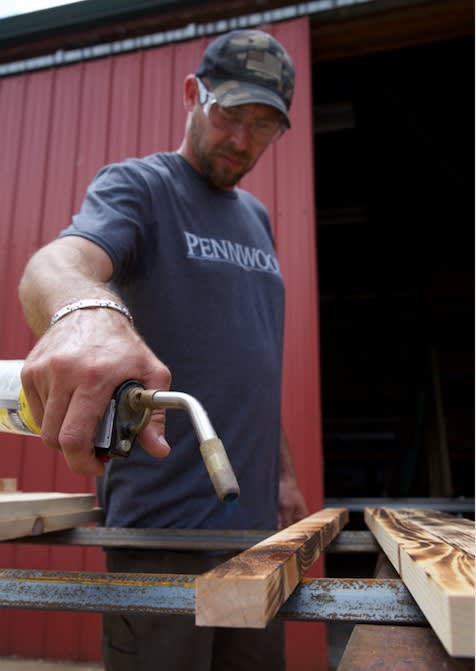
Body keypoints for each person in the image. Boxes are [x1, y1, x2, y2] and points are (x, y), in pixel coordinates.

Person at [18, 28, 308, 671]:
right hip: (162, 531)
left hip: (256, 531)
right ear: (192, 94)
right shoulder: (139, 188)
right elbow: (56, 263)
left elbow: (250, 360)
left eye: (263, 125)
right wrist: (86, 312)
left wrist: (283, 475)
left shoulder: (256, 218)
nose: (241, 140)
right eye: (230, 114)